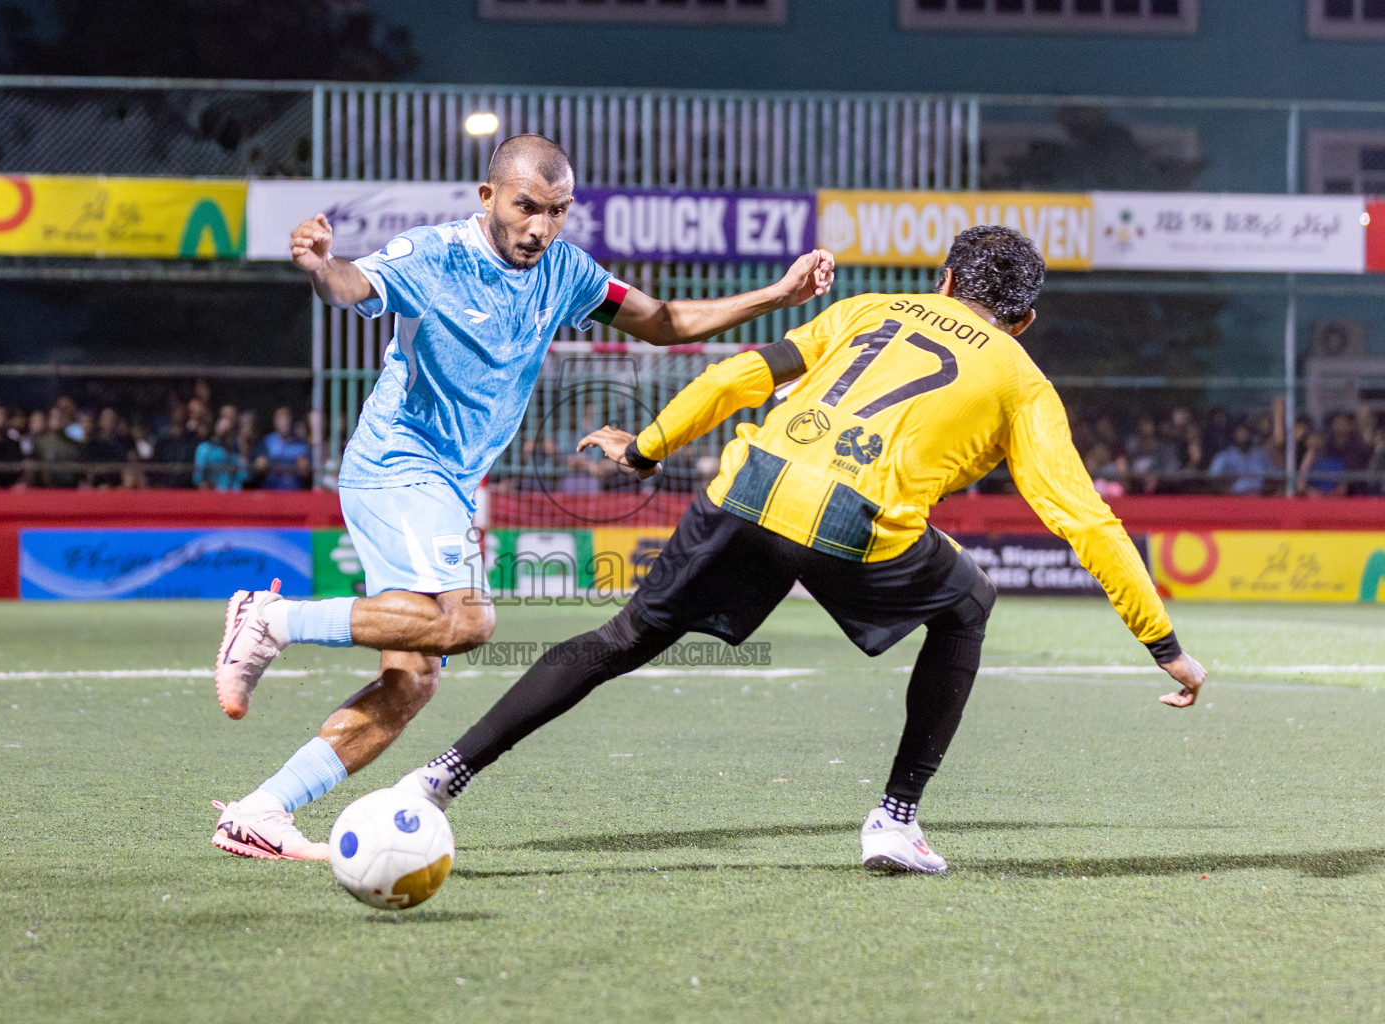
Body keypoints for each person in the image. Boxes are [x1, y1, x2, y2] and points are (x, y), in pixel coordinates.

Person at [395, 225, 1207, 876]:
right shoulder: (1022, 379)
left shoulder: (869, 308)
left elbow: (736, 376)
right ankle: (895, 820)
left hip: (747, 488)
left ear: (946, 281)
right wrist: (1162, 644)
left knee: (625, 636)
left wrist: (645, 448)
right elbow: (1088, 522)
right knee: (969, 603)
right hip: (855, 526)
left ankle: (439, 776)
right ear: (1024, 321)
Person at [207, 133, 836, 861]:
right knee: (468, 620)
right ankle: (270, 619)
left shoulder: (566, 271)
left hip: (448, 485)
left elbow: (663, 322)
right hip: (398, 464)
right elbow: (354, 285)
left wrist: (778, 296)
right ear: (488, 197)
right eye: (526, 206)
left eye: (557, 211)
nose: (541, 227)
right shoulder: (435, 255)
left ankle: (261, 812)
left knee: (411, 680)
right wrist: (322, 266)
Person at [254, 406, 311, 490]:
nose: (284, 422)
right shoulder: (266, 442)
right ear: (274, 421)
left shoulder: (302, 445)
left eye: (286, 417)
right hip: (270, 491)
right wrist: (261, 463)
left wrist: (304, 467)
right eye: (280, 418)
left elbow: (307, 471)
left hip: (294, 492)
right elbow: (258, 465)